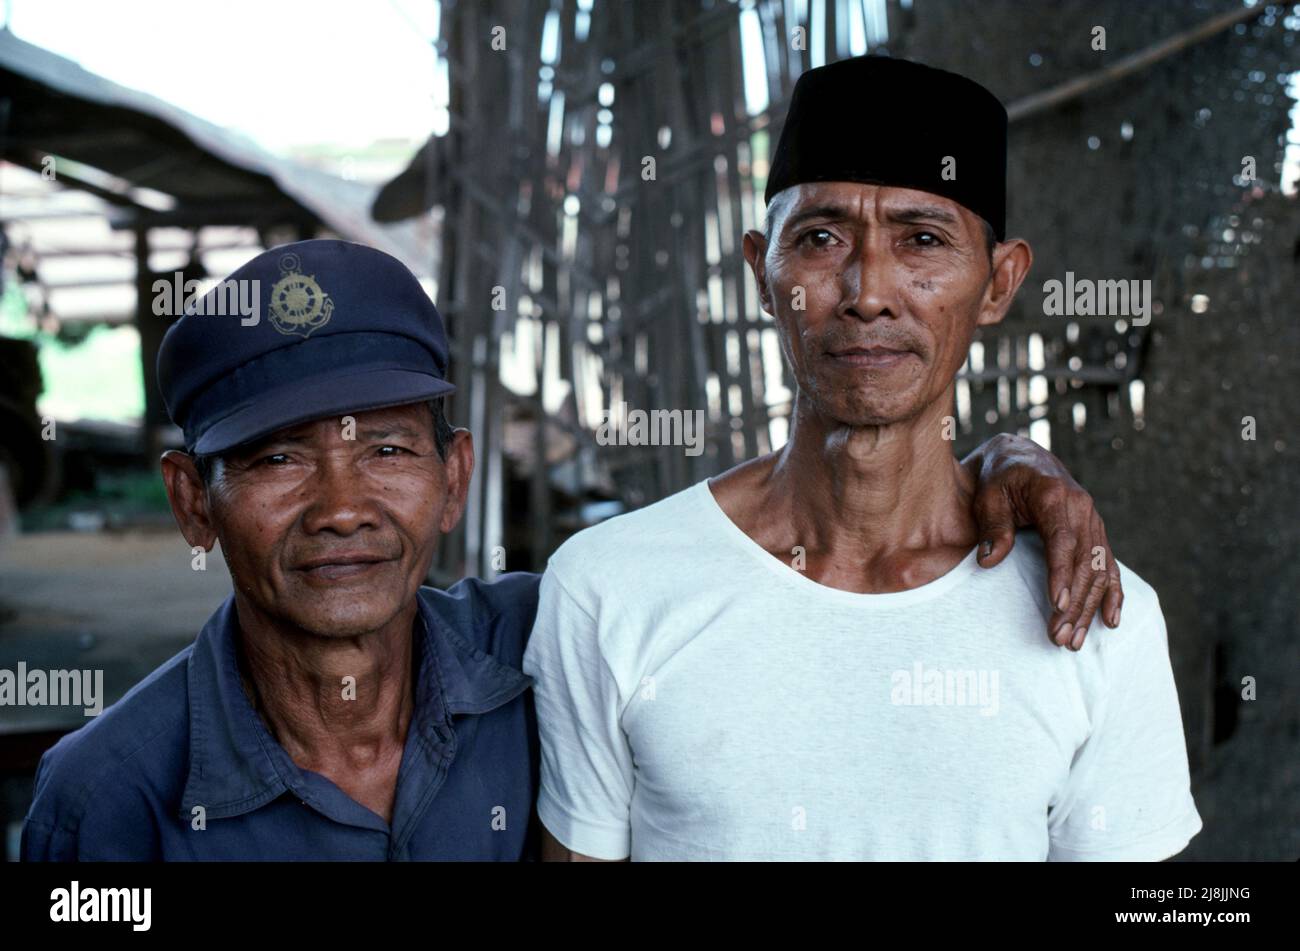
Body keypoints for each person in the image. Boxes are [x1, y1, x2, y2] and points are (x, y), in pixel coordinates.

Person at [22, 247, 1124, 859]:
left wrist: (1001, 460)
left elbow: (804, 531)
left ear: (455, 476)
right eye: (276, 463)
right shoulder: (110, 799)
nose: (343, 507)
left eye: (389, 450)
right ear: (192, 502)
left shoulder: (557, 638)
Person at [524, 56, 1201, 861]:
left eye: (923, 239)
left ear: (999, 283)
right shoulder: (609, 589)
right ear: (762, 275)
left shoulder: (1094, 619)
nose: (868, 290)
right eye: (820, 237)